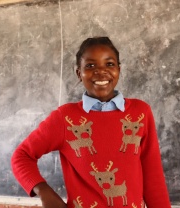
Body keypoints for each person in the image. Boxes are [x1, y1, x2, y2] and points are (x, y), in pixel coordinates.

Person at [11, 37, 171, 208]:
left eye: (109, 64)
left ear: (119, 69)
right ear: (79, 74)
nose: (101, 72)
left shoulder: (140, 112)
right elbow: (21, 156)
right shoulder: (65, 118)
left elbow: (152, 175)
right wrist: (44, 191)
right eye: (90, 66)